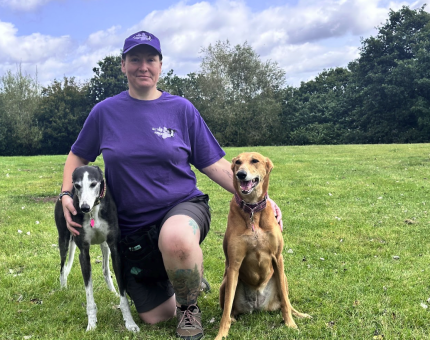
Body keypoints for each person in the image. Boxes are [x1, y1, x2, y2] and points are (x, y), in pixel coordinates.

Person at [60, 30, 282, 340]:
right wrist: (66, 194)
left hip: (182, 208)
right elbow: (77, 155)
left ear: (161, 65)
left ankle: (189, 307)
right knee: (156, 317)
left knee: (177, 240)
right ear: (122, 65)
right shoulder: (105, 112)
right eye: (134, 59)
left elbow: (216, 165)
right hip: (133, 227)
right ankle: (186, 275)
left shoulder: (181, 109)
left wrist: (261, 201)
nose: (143, 66)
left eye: (150, 59)